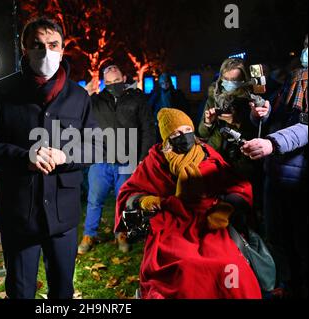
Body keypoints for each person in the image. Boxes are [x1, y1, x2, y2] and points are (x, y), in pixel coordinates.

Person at [0, 17, 99, 299]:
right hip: (18, 214)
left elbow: (97, 146)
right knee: (20, 291)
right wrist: (23, 157)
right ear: (24, 48)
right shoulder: (2, 92)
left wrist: (66, 155)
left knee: (62, 291)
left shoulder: (78, 96)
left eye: (53, 45)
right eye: (37, 45)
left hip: (63, 216)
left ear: (63, 49)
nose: (46, 52)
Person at [115, 108, 262, 299]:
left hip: (210, 221)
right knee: (183, 266)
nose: (183, 136)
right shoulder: (155, 161)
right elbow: (129, 192)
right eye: (176, 133)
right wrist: (143, 200)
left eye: (186, 129)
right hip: (170, 223)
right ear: (167, 138)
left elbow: (237, 185)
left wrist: (227, 208)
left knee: (228, 264)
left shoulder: (208, 154)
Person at [240, 35, 308, 298]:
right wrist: (263, 112)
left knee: (302, 242)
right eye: (305, 46)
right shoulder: (292, 81)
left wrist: (272, 144)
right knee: (277, 239)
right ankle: (284, 286)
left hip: (301, 181)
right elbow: (274, 118)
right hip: (275, 176)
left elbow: (305, 127)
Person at [78, 64, 156, 255]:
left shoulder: (137, 99)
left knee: (125, 200)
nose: (113, 85)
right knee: (95, 199)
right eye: (109, 82)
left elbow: (148, 129)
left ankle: (121, 233)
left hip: (127, 159)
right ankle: (89, 234)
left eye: (116, 81)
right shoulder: (96, 100)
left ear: (123, 79)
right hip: (101, 159)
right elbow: (73, 110)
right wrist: (83, 92)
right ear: (105, 82)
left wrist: (143, 157)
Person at [198, 58, 271, 230]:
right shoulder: (212, 99)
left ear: (244, 80)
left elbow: (259, 135)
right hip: (217, 160)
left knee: (242, 209)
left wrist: (237, 123)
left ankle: (246, 240)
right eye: (227, 80)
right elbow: (201, 133)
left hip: (244, 164)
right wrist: (208, 122)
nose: (230, 84)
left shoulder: (253, 101)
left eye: (235, 81)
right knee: (217, 208)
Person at [148, 73, 189, 141]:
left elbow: (184, 108)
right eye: (162, 83)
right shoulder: (157, 95)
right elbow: (149, 108)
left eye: (166, 82)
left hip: (175, 123)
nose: (165, 84)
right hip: (160, 123)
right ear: (160, 84)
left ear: (170, 82)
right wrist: (154, 120)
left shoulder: (177, 94)